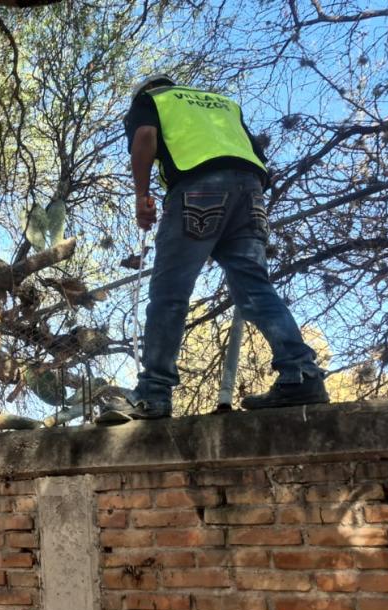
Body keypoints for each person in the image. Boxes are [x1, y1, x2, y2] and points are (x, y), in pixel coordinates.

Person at [97, 75, 329, 424]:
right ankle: (302, 375)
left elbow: (144, 138)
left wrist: (142, 196)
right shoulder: (224, 105)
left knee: (168, 295)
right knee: (254, 289)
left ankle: (153, 395)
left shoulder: (153, 100)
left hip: (197, 189)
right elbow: (256, 156)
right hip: (250, 192)